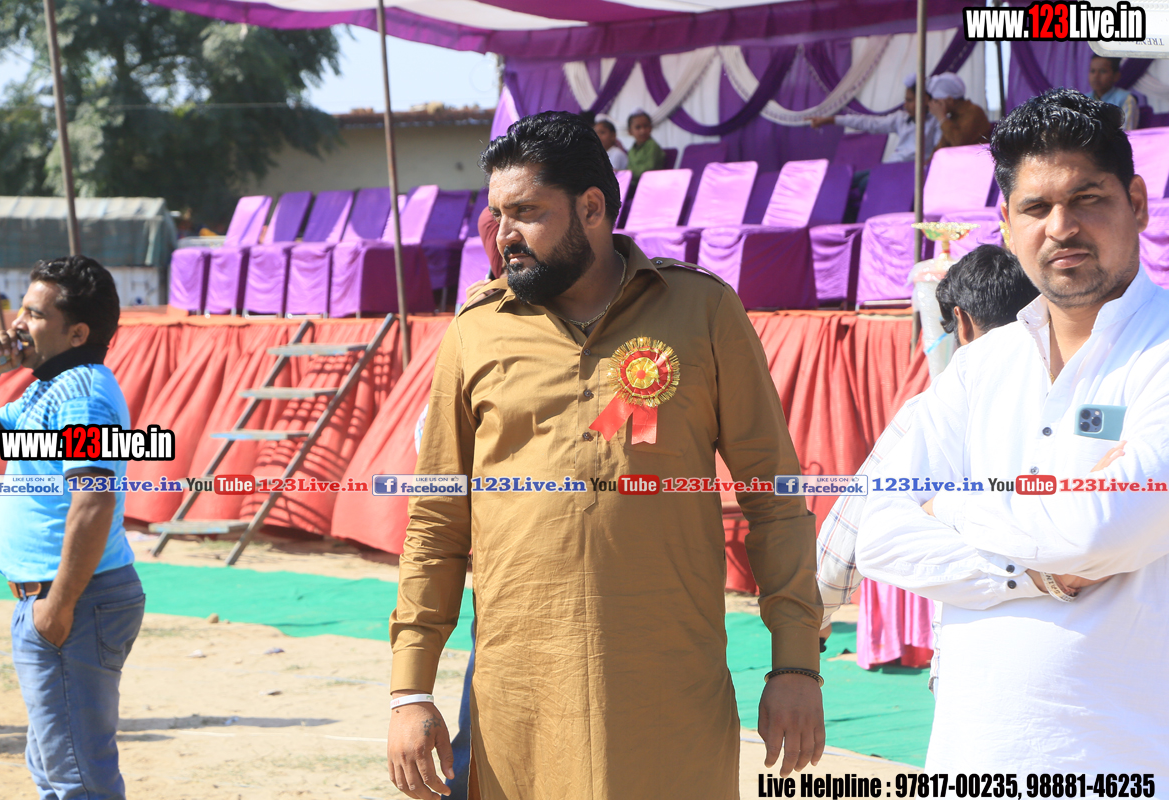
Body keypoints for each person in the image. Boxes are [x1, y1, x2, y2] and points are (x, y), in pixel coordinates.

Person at [386, 111, 824, 800]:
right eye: (498, 214)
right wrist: (410, 690)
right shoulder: (475, 332)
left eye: (526, 212)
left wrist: (795, 666)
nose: (503, 235)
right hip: (520, 702)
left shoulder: (702, 311)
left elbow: (776, 502)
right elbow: (436, 523)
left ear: (592, 208)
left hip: (671, 694)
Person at [856, 88, 1169, 773]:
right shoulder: (981, 367)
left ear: (1138, 203)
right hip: (971, 761)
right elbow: (871, 529)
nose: (1062, 227)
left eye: (1087, 199)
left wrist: (946, 505)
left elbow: (1102, 530)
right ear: (1005, 222)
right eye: (1035, 208)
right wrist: (1039, 574)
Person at [815, 245, 1039, 692]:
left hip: (978, 650)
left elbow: (853, 530)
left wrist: (814, 613)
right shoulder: (1085, 388)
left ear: (962, 322)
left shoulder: (933, 406)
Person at [0, 256, 140, 798]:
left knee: (76, 780)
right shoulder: (49, 388)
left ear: (77, 333)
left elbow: (94, 501)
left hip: (73, 601)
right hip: (57, 600)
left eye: (35, 314)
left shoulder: (82, 396)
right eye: (21, 310)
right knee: (56, 767)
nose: (17, 324)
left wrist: (58, 607)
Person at [808, 74, 941, 164]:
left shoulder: (936, 121)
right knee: (850, 180)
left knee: (864, 183)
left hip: (911, 172)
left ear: (925, 99)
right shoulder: (901, 118)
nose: (905, 105)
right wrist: (831, 120)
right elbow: (868, 123)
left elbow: (938, 153)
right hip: (892, 166)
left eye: (910, 100)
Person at [927, 73, 991, 150]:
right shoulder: (953, 116)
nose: (934, 105)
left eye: (936, 101)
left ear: (950, 100)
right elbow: (941, 148)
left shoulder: (974, 112)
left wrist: (941, 117)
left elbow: (959, 143)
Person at [1088, 55, 1139, 131]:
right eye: (1092, 71)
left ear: (1116, 76)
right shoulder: (1084, 99)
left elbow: (1126, 133)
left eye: (1102, 71)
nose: (1096, 76)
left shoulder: (1126, 99)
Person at [625, 108, 664, 183]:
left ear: (651, 128)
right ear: (630, 131)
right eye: (638, 127)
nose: (642, 131)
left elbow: (647, 170)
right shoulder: (631, 150)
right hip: (634, 185)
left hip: (650, 185)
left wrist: (626, 173)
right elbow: (629, 169)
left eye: (646, 126)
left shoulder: (652, 146)